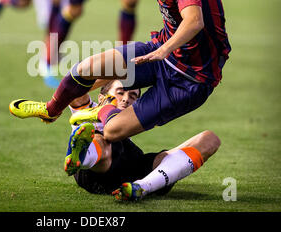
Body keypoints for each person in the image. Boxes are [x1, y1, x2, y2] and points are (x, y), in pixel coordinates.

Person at [9, 0, 230, 151]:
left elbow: (194, 21)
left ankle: (100, 113)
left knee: (112, 131)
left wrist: (164, 49)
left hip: (189, 79)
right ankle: (51, 110)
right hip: (161, 54)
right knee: (84, 70)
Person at [65, 80, 221, 201]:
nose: (126, 100)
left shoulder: (134, 118)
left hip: (132, 169)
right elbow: (74, 86)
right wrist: (110, 75)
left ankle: (142, 187)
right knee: (103, 139)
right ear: (101, 98)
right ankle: (82, 157)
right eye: (120, 93)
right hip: (95, 171)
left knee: (210, 139)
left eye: (132, 96)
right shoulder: (91, 109)